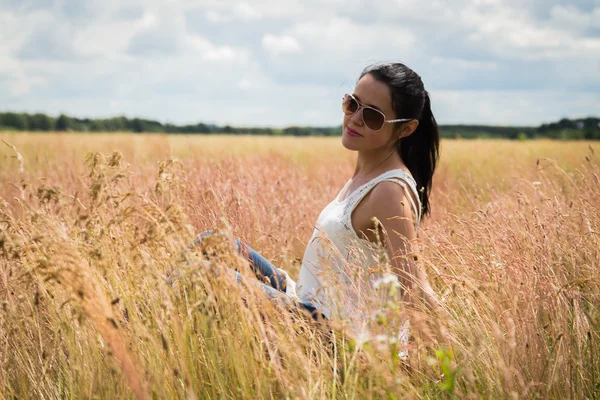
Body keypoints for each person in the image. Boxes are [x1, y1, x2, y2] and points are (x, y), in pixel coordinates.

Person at [184, 62, 439, 342]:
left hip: (333, 335)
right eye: (352, 104)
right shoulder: (365, 177)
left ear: (405, 129)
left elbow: (415, 285)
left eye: (373, 117)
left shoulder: (390, 191)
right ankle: (147, 324)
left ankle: (136, 331)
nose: (355, 119)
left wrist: (440, 366)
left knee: (203, 273)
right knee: (212, 242)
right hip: (305, 304)